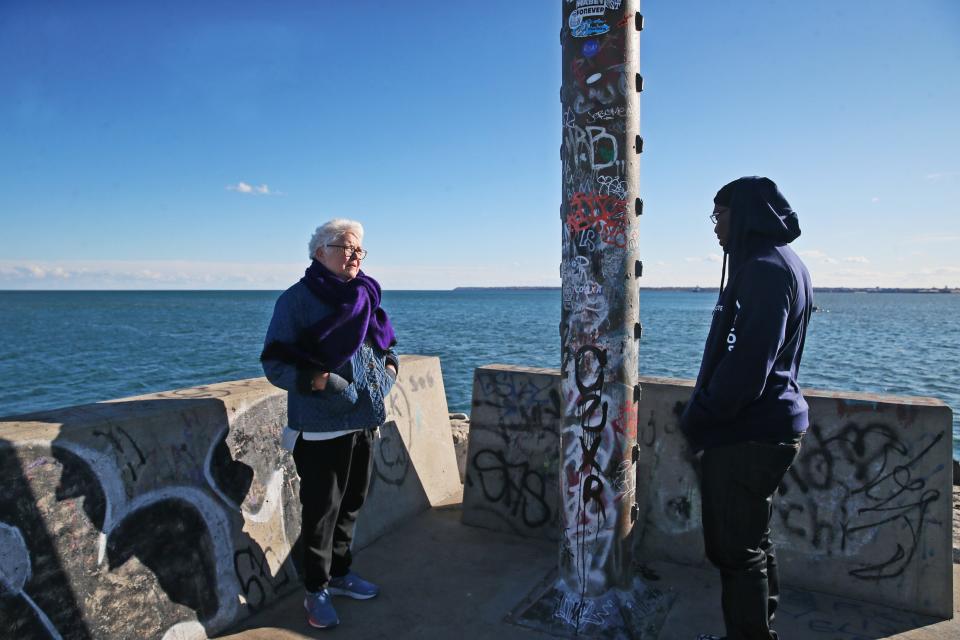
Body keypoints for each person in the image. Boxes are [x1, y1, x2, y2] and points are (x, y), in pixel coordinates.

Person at [679, 177, 813, 640]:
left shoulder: (762, 269)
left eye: (720, 215)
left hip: (748, 434)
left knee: (735, 552)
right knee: (753, 543)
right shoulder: (781, 264)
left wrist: (700, 417)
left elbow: (748, 366)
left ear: (745, 214)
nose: (715, 227)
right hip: (766, 428)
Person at [261, 218, 399, 630]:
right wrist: (319, 381)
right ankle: (315, 589)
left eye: (360, 250)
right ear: (319, 252)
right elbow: (274, 363)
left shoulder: (364, 294)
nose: (355, 255)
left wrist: (389, 366)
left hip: (363, 421)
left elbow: (382, 342)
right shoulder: (296, 301)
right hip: (321, 428)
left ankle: (340, 575)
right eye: (346, 247)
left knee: (351, 506)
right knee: (321, 512)